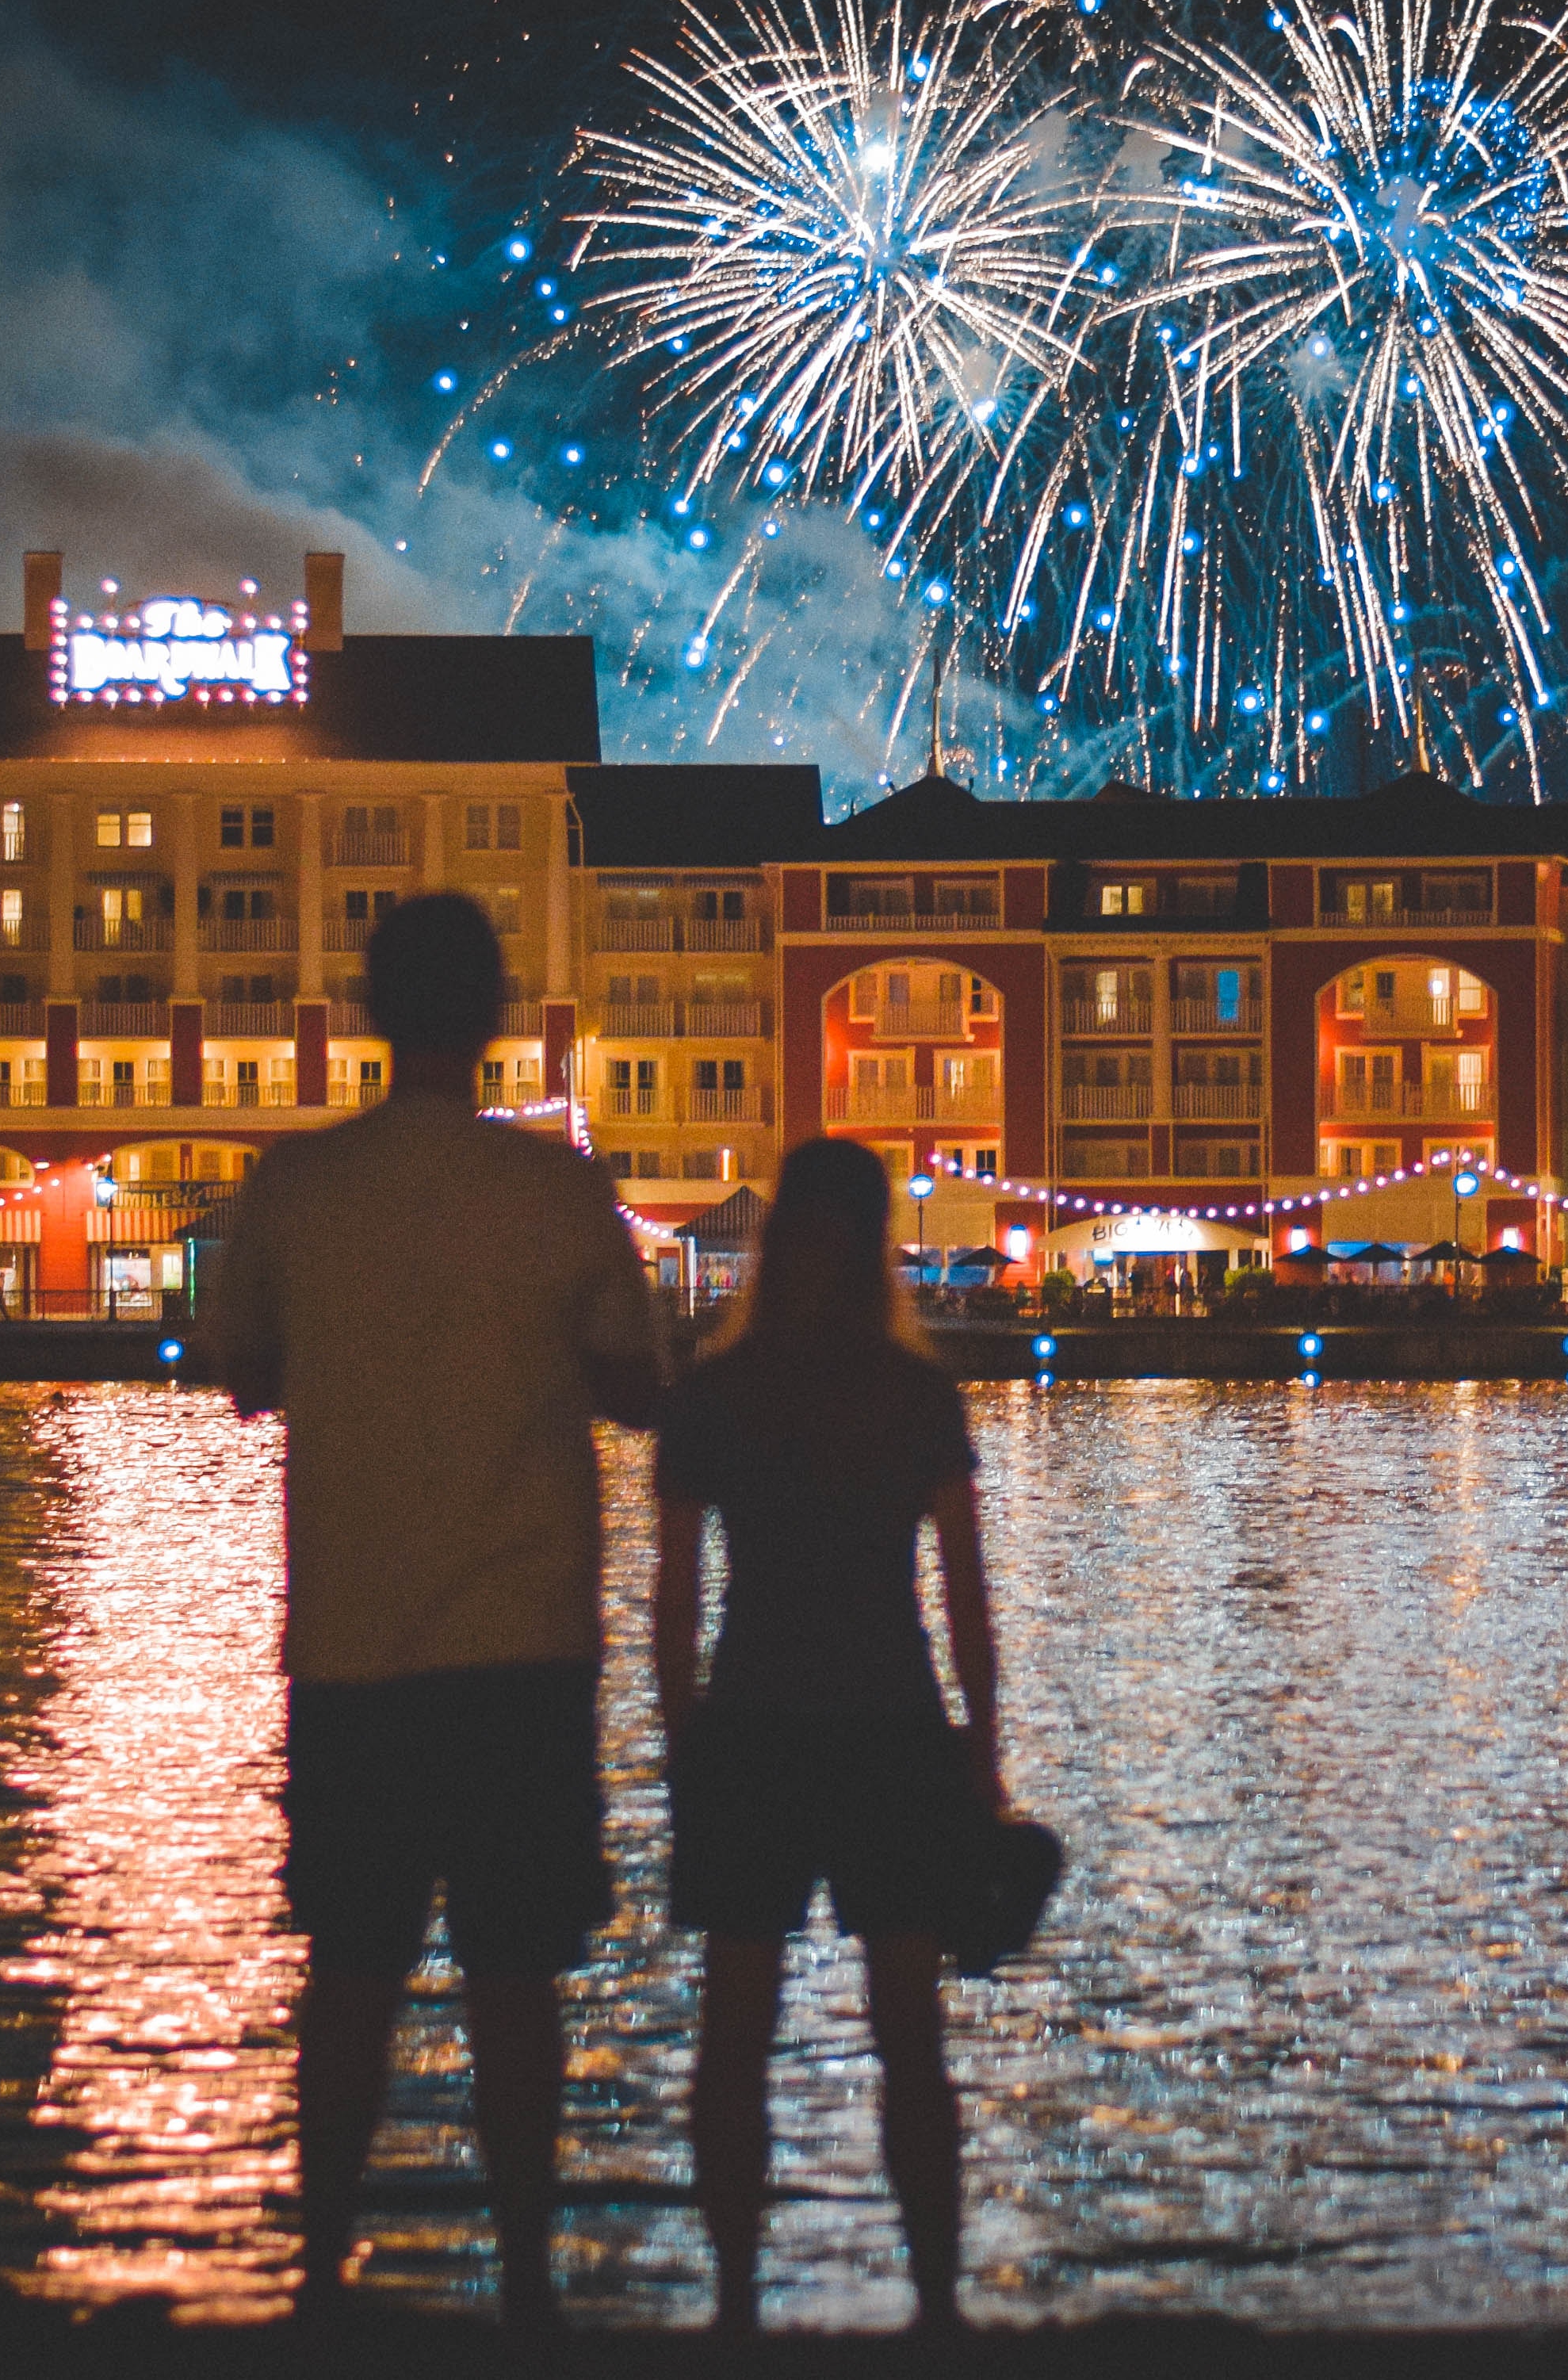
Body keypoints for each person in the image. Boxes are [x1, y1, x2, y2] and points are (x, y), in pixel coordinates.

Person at [205, 891, 665, 2328]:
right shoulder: (560, 1198)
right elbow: (641, 1386)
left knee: (351, 1965)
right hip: (525, 1644)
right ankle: (527, 2281)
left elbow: (240, 1372)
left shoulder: (296, 1190)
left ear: (365, 1013)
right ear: (495, 1021)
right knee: (519, 1973)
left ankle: (323, 2276)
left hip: (352, 1644)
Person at [654, 1138, 1004, 2336]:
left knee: (734, 2032)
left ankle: (740, 2304)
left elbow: (674, 1590)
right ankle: (939, 2304)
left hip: (751, 1716)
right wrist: (983, 1746)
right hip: (891, 1721)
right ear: (880, 1244)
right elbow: (962, 1589)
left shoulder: (717, 1390)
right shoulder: (914, 1395)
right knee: (911, 2034)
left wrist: (680, 1735)